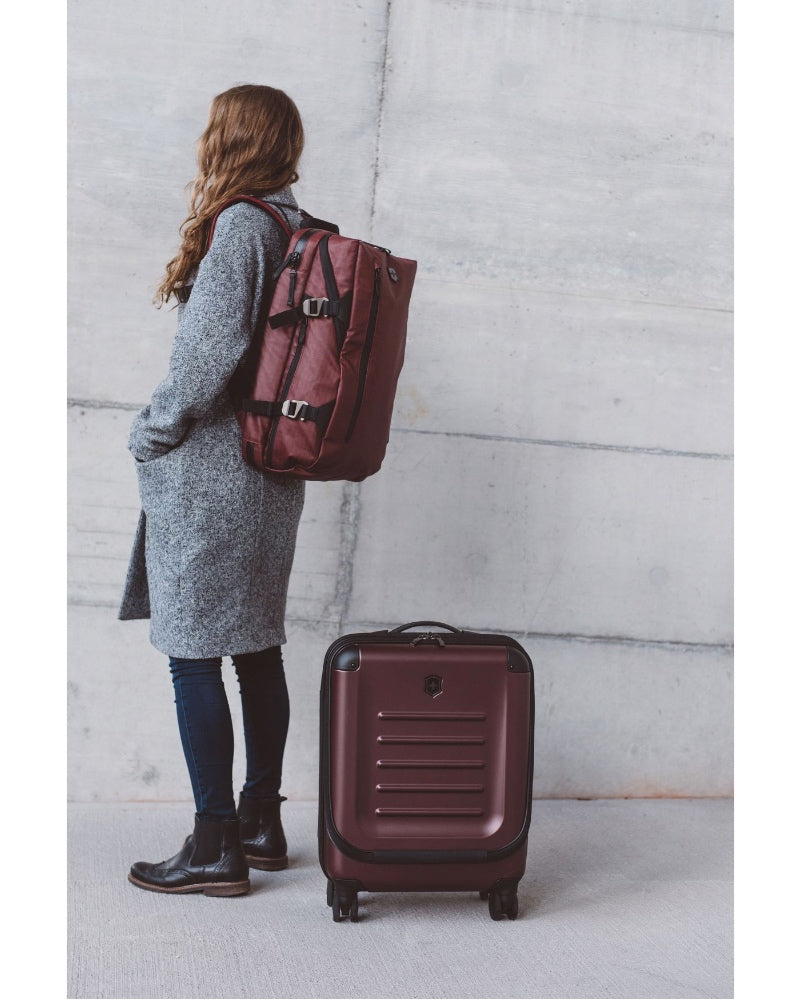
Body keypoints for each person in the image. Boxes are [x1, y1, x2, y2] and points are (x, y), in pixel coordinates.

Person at [117, 84, 308, 897]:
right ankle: (260, 820)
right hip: (271, 472)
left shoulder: (239, 225)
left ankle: (213, 847)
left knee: (193, 656)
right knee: (257, 647)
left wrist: (150, 429)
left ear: (230, 138)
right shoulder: (294, 224)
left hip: (213, 476)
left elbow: (206, 358)